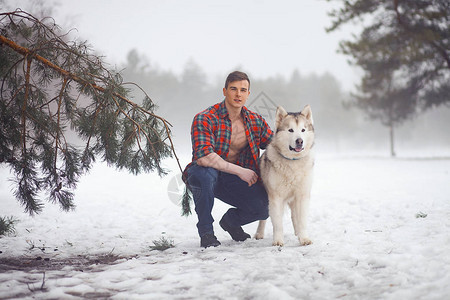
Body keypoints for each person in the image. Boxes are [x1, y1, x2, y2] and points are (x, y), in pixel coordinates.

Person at [183, 71, 273, 248]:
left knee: (265, 207)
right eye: (233, 89)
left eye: (243, 90)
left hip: (234, 181)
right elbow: (203, 156)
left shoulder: (255, 121)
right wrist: (241, 171)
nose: (238, 94)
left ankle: (231, 221)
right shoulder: (205, 118)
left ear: (248, 94)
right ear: (224, 91)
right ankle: (206, 233)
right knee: (204, 174)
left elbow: (277, 146)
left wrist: (299, 146)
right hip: (207, 174)